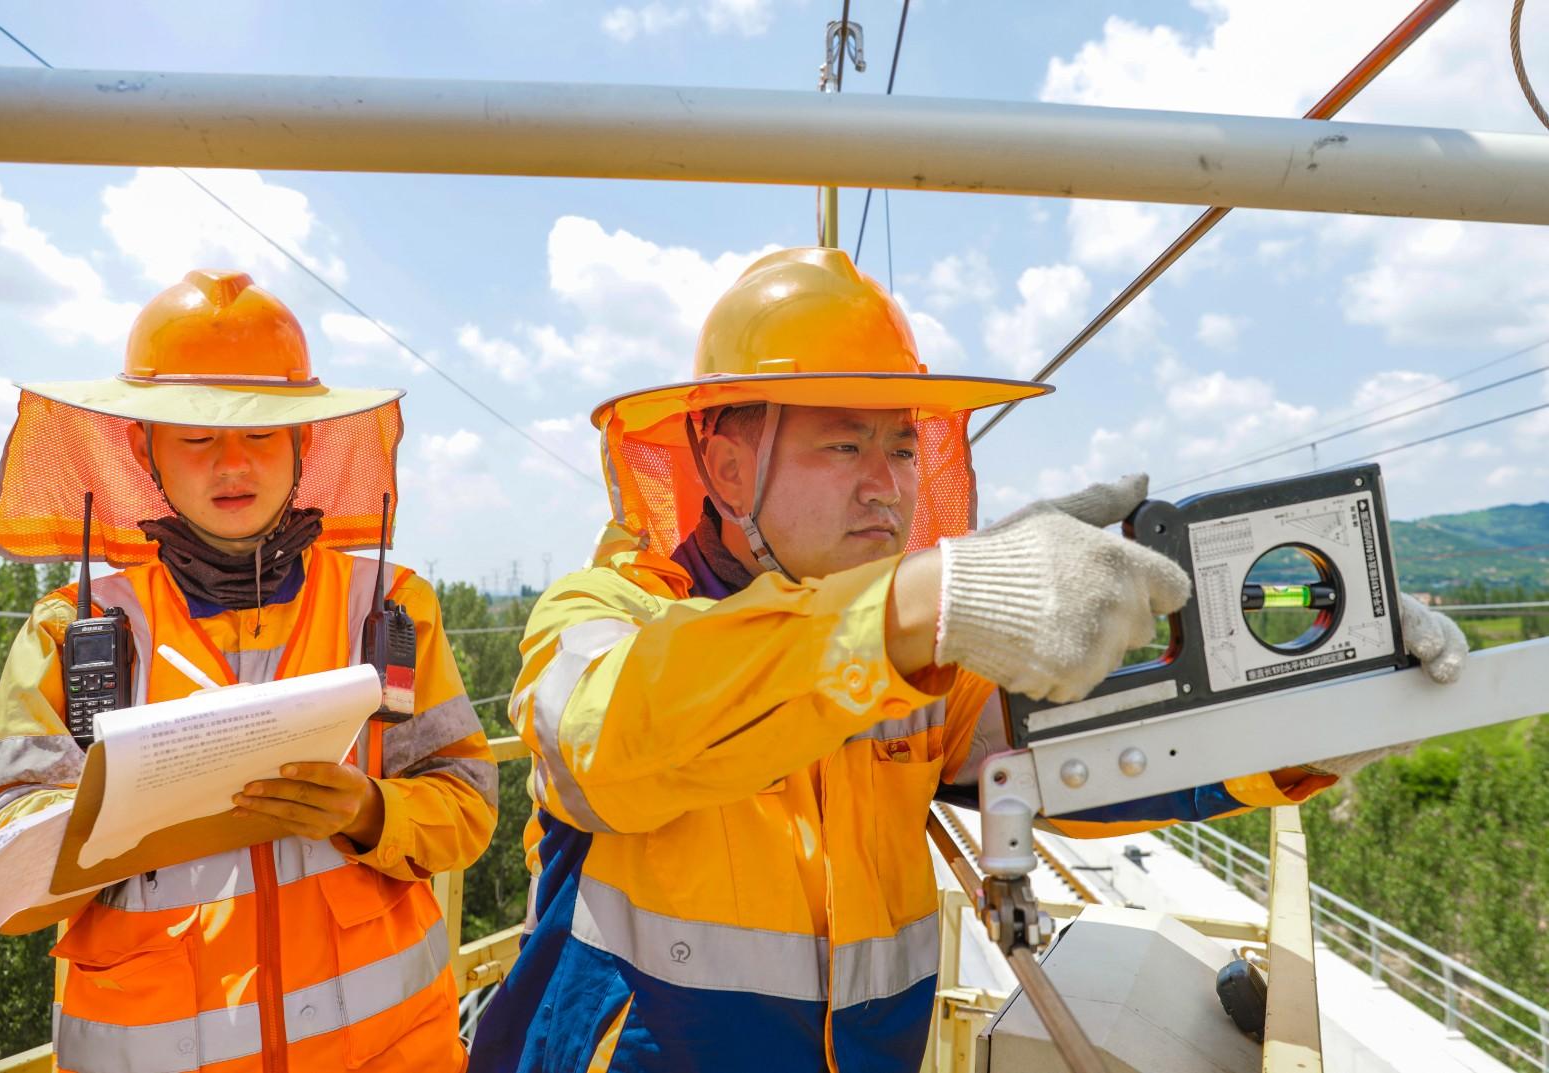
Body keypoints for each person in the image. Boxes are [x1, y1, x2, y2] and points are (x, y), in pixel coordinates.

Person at [469, 247, 1467, 1073]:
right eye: (841, 448)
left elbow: (1088, 751)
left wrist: (1325, 705)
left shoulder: (921, 667)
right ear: (729, 466)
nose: (886, 488)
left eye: (901, 449)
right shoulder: (608, 613)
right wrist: (918, 605)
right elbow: (607, 741)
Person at [0, 270, 498, 1073]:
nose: (233, 464)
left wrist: (370, 810)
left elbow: (467, 802)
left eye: (262, 435)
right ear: (147, 452)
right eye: (199, 438)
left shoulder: (386, 606)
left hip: (393, 1050)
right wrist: (115, 825)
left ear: (303, 446)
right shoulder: (74, 629)